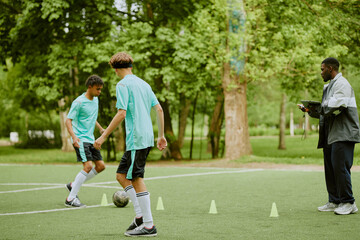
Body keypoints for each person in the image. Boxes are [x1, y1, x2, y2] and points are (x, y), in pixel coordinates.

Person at [94, 52, 167, 237]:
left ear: (116, 69)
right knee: (121, 175)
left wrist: (102, 137)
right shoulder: (144, 83)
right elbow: (158, 108)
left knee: (136, 178)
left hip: (137, 139)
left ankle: (149, 225)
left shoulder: (122, 84)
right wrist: (161, 135)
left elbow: (121, 113)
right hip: (146, 137)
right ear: (131, 66)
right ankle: (140, 216)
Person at [299, 57, 360, 215]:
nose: (321, 72)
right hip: (331, 134)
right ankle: (334, 201)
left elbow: (335, 105)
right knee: (331, 168)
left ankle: (348, 202)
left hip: (343, 133)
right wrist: (310, 111)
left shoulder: (342, 84)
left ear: (331, 69)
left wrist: (316, 106)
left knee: (340, 168)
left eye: (322, 69)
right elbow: (326, 112)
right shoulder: (329, 87)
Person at [65, 75, 106, 207]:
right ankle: (70, 199)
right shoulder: (78, 102)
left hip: (91, 139)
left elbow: (91, 117)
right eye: (97, 89)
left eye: (100, 89)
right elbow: (68, 120)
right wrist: (74, 137)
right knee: (88, 166)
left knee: (100, 166)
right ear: (90, 87)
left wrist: (100, 129)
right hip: (80, 139)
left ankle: (73, 185)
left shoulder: (95, 100)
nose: (99, 92)